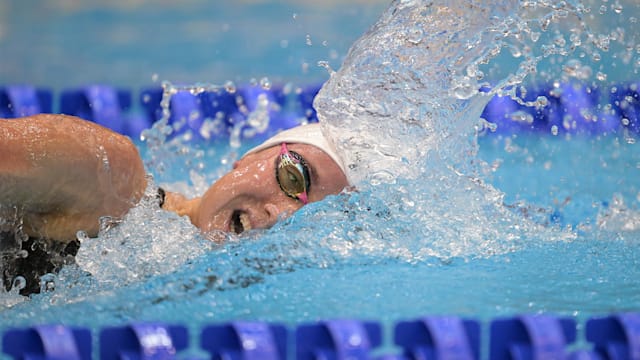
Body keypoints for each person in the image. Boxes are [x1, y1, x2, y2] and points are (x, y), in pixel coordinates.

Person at [0, 113, 349, 295]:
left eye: (313, 222)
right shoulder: (108, 174)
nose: (283, 215)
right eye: (294, 178)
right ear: (247, 158)